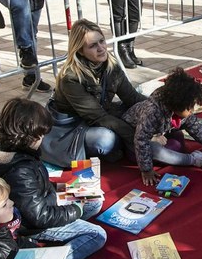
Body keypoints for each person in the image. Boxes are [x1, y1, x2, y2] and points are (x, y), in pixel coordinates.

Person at [0, 98, 107, 259]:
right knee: (97, 234)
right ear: (29, 136)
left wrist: (68, 190)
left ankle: (67, 230)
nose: (42, 140)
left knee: (93, 201)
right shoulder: (19, 169)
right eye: (41, 135)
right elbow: (39, 217)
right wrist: (76, 210)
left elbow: (34, 190)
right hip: (29, 224)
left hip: (33, 208)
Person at [123, 68, 202, 186]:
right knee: (157, 151)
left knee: (178, 141)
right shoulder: (152, 112)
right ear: (177, 104)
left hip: (159, 133)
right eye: (189, 108)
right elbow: (141, 140)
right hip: (132, 139)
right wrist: (146, 170)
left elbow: (195, 127)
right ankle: (194, 159)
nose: (192, 111)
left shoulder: (177, 105)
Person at [52, 18, 146, 161]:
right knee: (106, 140)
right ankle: (113, 149)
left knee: (141, 112)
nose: (101, 48)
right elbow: (98, 117)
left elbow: (132, 98)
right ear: (80, 51)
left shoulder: (110, 64)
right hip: (74, 128)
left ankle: (120, 148)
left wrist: (163, 109)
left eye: (102, 41)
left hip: (101, 116)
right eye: (93, 45)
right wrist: (138, 137)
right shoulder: (70, 77)